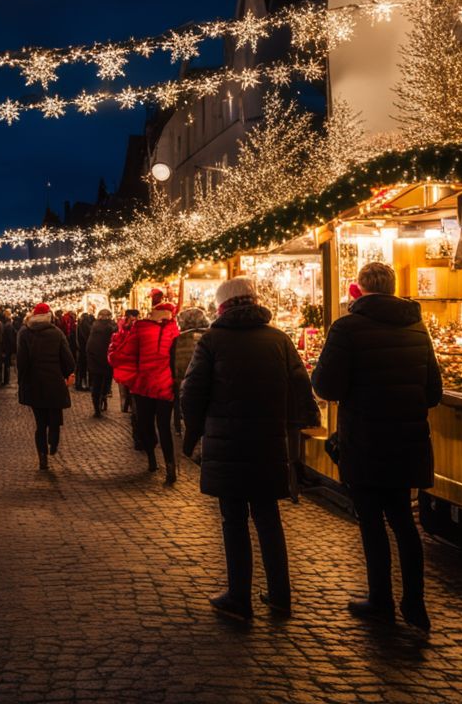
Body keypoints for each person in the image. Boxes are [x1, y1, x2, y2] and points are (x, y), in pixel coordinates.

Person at [312, 262, 443, 631]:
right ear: (393, 286)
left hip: (365, 440)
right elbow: (433, 392)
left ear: (359, 288)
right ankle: (415, 603)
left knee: (371, 523)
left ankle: (380, 600)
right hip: (407, 441)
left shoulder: (347, 328)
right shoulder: (417, 327)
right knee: (403, 521)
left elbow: (326, 386)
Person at [181, 277, 319, 621]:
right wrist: (295, 431)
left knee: (234, 520)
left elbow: (192, 392)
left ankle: (239, 597)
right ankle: (280, 595)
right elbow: (300, 387)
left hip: (227, 442)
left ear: (222, 305)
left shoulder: (212, 340)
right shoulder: (278, 339)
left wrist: (192, 435)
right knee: (268, 518)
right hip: (268, 442)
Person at [110, 299, 180, 483]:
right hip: (165, 386)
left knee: (146, 424)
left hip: (144, 386)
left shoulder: (141, 328)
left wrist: (113, 354)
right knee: (164, 426)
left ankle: (152, 459)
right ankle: (170, 467)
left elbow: (127, 353)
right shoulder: (174, 330)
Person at [16, 303, 75, 469]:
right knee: (54, 417)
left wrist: (22, 382)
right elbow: (68, 360)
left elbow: (21, 362)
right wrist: (67, 373)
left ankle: (42, 456)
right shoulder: (56, 333)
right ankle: (53, 441)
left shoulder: (24, 333)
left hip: (33, 383)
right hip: (54, 382)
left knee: (40, 424)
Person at [171, 307, 210, 434]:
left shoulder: (177, 339)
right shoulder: (212, 336)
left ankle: (181, 428)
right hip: (207, 380)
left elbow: (172, 361)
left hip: (182, 380)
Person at [85, 308, 116, 417]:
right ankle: (104, 399)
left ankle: (97, 407)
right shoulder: (111, 328)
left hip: (95, 362)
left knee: (96, 385)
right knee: (106, 383)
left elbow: (89, 347)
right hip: (107, 361)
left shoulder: (94, 328)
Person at [0, 309, 16, 387]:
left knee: (6, 364)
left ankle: (6, 379)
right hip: (7, 347)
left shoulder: (5, 325)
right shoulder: (9, 325)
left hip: (5, 347)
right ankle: (6, 380)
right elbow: (10, 338)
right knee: (7, 364)